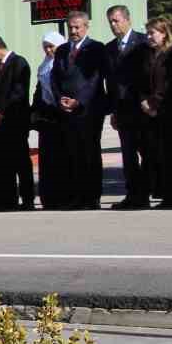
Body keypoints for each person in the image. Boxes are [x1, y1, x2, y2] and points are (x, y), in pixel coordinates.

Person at [51, 13, 107, 209]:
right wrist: (61, 98)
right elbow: (54, 77)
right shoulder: (62, 50)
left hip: (88, 110)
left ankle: (92, 197)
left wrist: (79, 101)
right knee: (73, 153)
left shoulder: (96, 48)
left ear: (86, 27)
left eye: (77, 27)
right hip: (67, 111)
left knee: (89, 153)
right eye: (70, 28)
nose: (73, 31)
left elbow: (95, 79)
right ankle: (77, 196)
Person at [0, 33, 33, 211]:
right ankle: (8, 199)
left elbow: (18, 93)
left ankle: (27, 199)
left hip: (15, 121)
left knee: (21, 162)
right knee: (5, 163)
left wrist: (2, 113)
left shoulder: (19, 63)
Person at [105, 5, 149, 209]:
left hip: (141, 108)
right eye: (110, 22)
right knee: (128, 155)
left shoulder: (142, 42)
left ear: (127, 20)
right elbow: (111, 82)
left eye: (117, 20)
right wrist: (113, 110)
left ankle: (149, 193)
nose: (114, 25)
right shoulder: (110, 48)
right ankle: (133, 195)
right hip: (122, 110)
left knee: (147, 153)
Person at [140, 18, 172, 208]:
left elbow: (171, 83)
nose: (149, 36)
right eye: (148, 33)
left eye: (153, 33)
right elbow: (142, 80)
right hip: (150, 112)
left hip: (168, 110)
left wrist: (155, 102)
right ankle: (163, 192)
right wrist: (144, 101)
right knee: (155, 153)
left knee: (170, 154)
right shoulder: (148, 54)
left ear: (164, 33)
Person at [30, 31, 68, 211]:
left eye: (51, 46)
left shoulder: (65, 63)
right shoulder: (43, 66)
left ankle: (64, 196)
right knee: (48, 159)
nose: (48, 50)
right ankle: (49, 197)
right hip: (47, 117)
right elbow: (39, 90)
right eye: (45, 46)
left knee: (62, 158)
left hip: (62, 115)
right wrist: (35, 111)